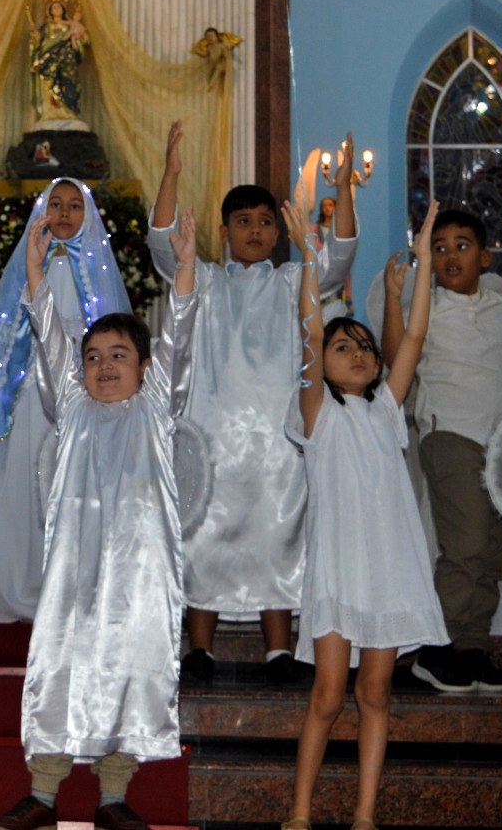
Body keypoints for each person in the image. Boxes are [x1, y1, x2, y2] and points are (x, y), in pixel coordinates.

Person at [0, 207, 198, 830]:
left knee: (133, 670)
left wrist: (184, 269)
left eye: (120, 355)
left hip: (142, 571)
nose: (105, 366)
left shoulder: (156, 407)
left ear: (142, 366)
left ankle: (113, 795)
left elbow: (178, 336)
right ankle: (44, 794)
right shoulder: (73, 408)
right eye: (94, 357)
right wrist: (33, 272)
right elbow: (49, 339)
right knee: (60, 665)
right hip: (74, 570)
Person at [149, 121, 357, 685]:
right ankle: (199, 649)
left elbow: (337, 257)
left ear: (279, 232)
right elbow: (164, 242)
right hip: (212, 436)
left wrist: (347, 192)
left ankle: (278, 651)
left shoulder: (295, 282)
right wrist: (169, 174)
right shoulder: (206, 281)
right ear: (223, 232)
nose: (256, 230)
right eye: (244, 221)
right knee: (204, 537)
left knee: (279, 535)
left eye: (266, 221)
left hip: (277, 441)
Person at [280, 201, 448, 830]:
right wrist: (308, 263)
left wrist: (424, 261)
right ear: (321, 363)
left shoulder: (385, 411)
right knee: (327, 695)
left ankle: (366, 814)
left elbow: (418, 337)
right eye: (341, 346)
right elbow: (308, 329)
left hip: (390, 570)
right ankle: (299, 813)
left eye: (364, 347)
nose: (355, 353)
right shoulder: (317, 414)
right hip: (337, 572)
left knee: (375, 694)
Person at [0, 177, 133, 622]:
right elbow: (3, 335)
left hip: (83, 401)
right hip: (28, 399)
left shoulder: (97, 267)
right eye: (54, 204)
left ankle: (75, 601)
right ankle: (13, 595)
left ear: (88, 216)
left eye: (74, 206)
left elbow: (116, 339)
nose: (63, 213)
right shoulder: (28, 265)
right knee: (22, 487)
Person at [383, 207, 502, 695]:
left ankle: (472, 648)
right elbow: (396, 354)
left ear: (485, 257)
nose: (449, 255)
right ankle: (435, 648)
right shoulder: (428, 304)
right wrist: (394, 297)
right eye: (438, 248)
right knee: (462, 546)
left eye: (462, 245)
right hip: (450, 434)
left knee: (492, 552)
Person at [26, 1, 89, 130]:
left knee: (69, 83)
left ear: (63, 10)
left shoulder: (70, 25)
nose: (56, 9)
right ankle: (51, 113)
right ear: (49, 11)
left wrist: (79, 37)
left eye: (59, 6)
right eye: (53, 7)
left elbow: (83, 40)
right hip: (50, 61)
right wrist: (34, 34)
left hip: (67, 61)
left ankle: (68, 111)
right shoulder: (47, 27)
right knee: (50, 84)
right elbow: (39, 43)